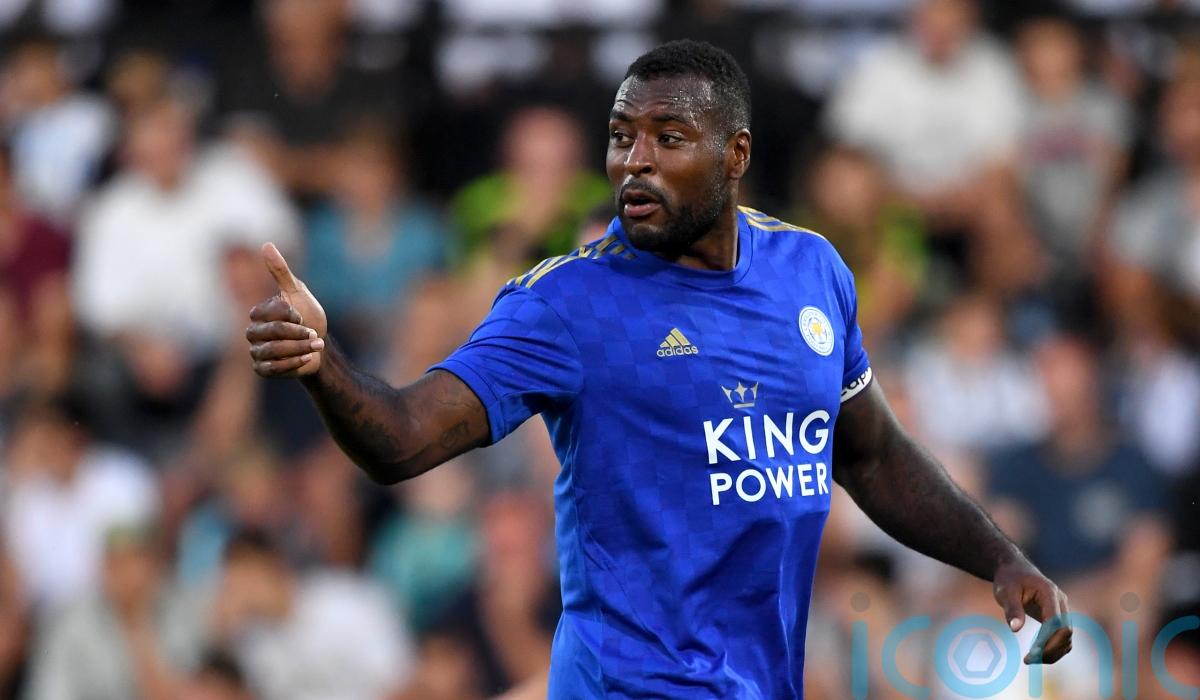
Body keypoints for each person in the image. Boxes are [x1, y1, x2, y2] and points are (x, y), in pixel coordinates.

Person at [247, 40, 1072, 697]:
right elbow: (402, 438)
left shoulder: (811, 271)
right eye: (620, 137)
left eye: (667, 139)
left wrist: (999, 557)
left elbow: (872, 455)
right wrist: (322, 364)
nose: (634, 161)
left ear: (735, 153)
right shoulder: (565, 304)